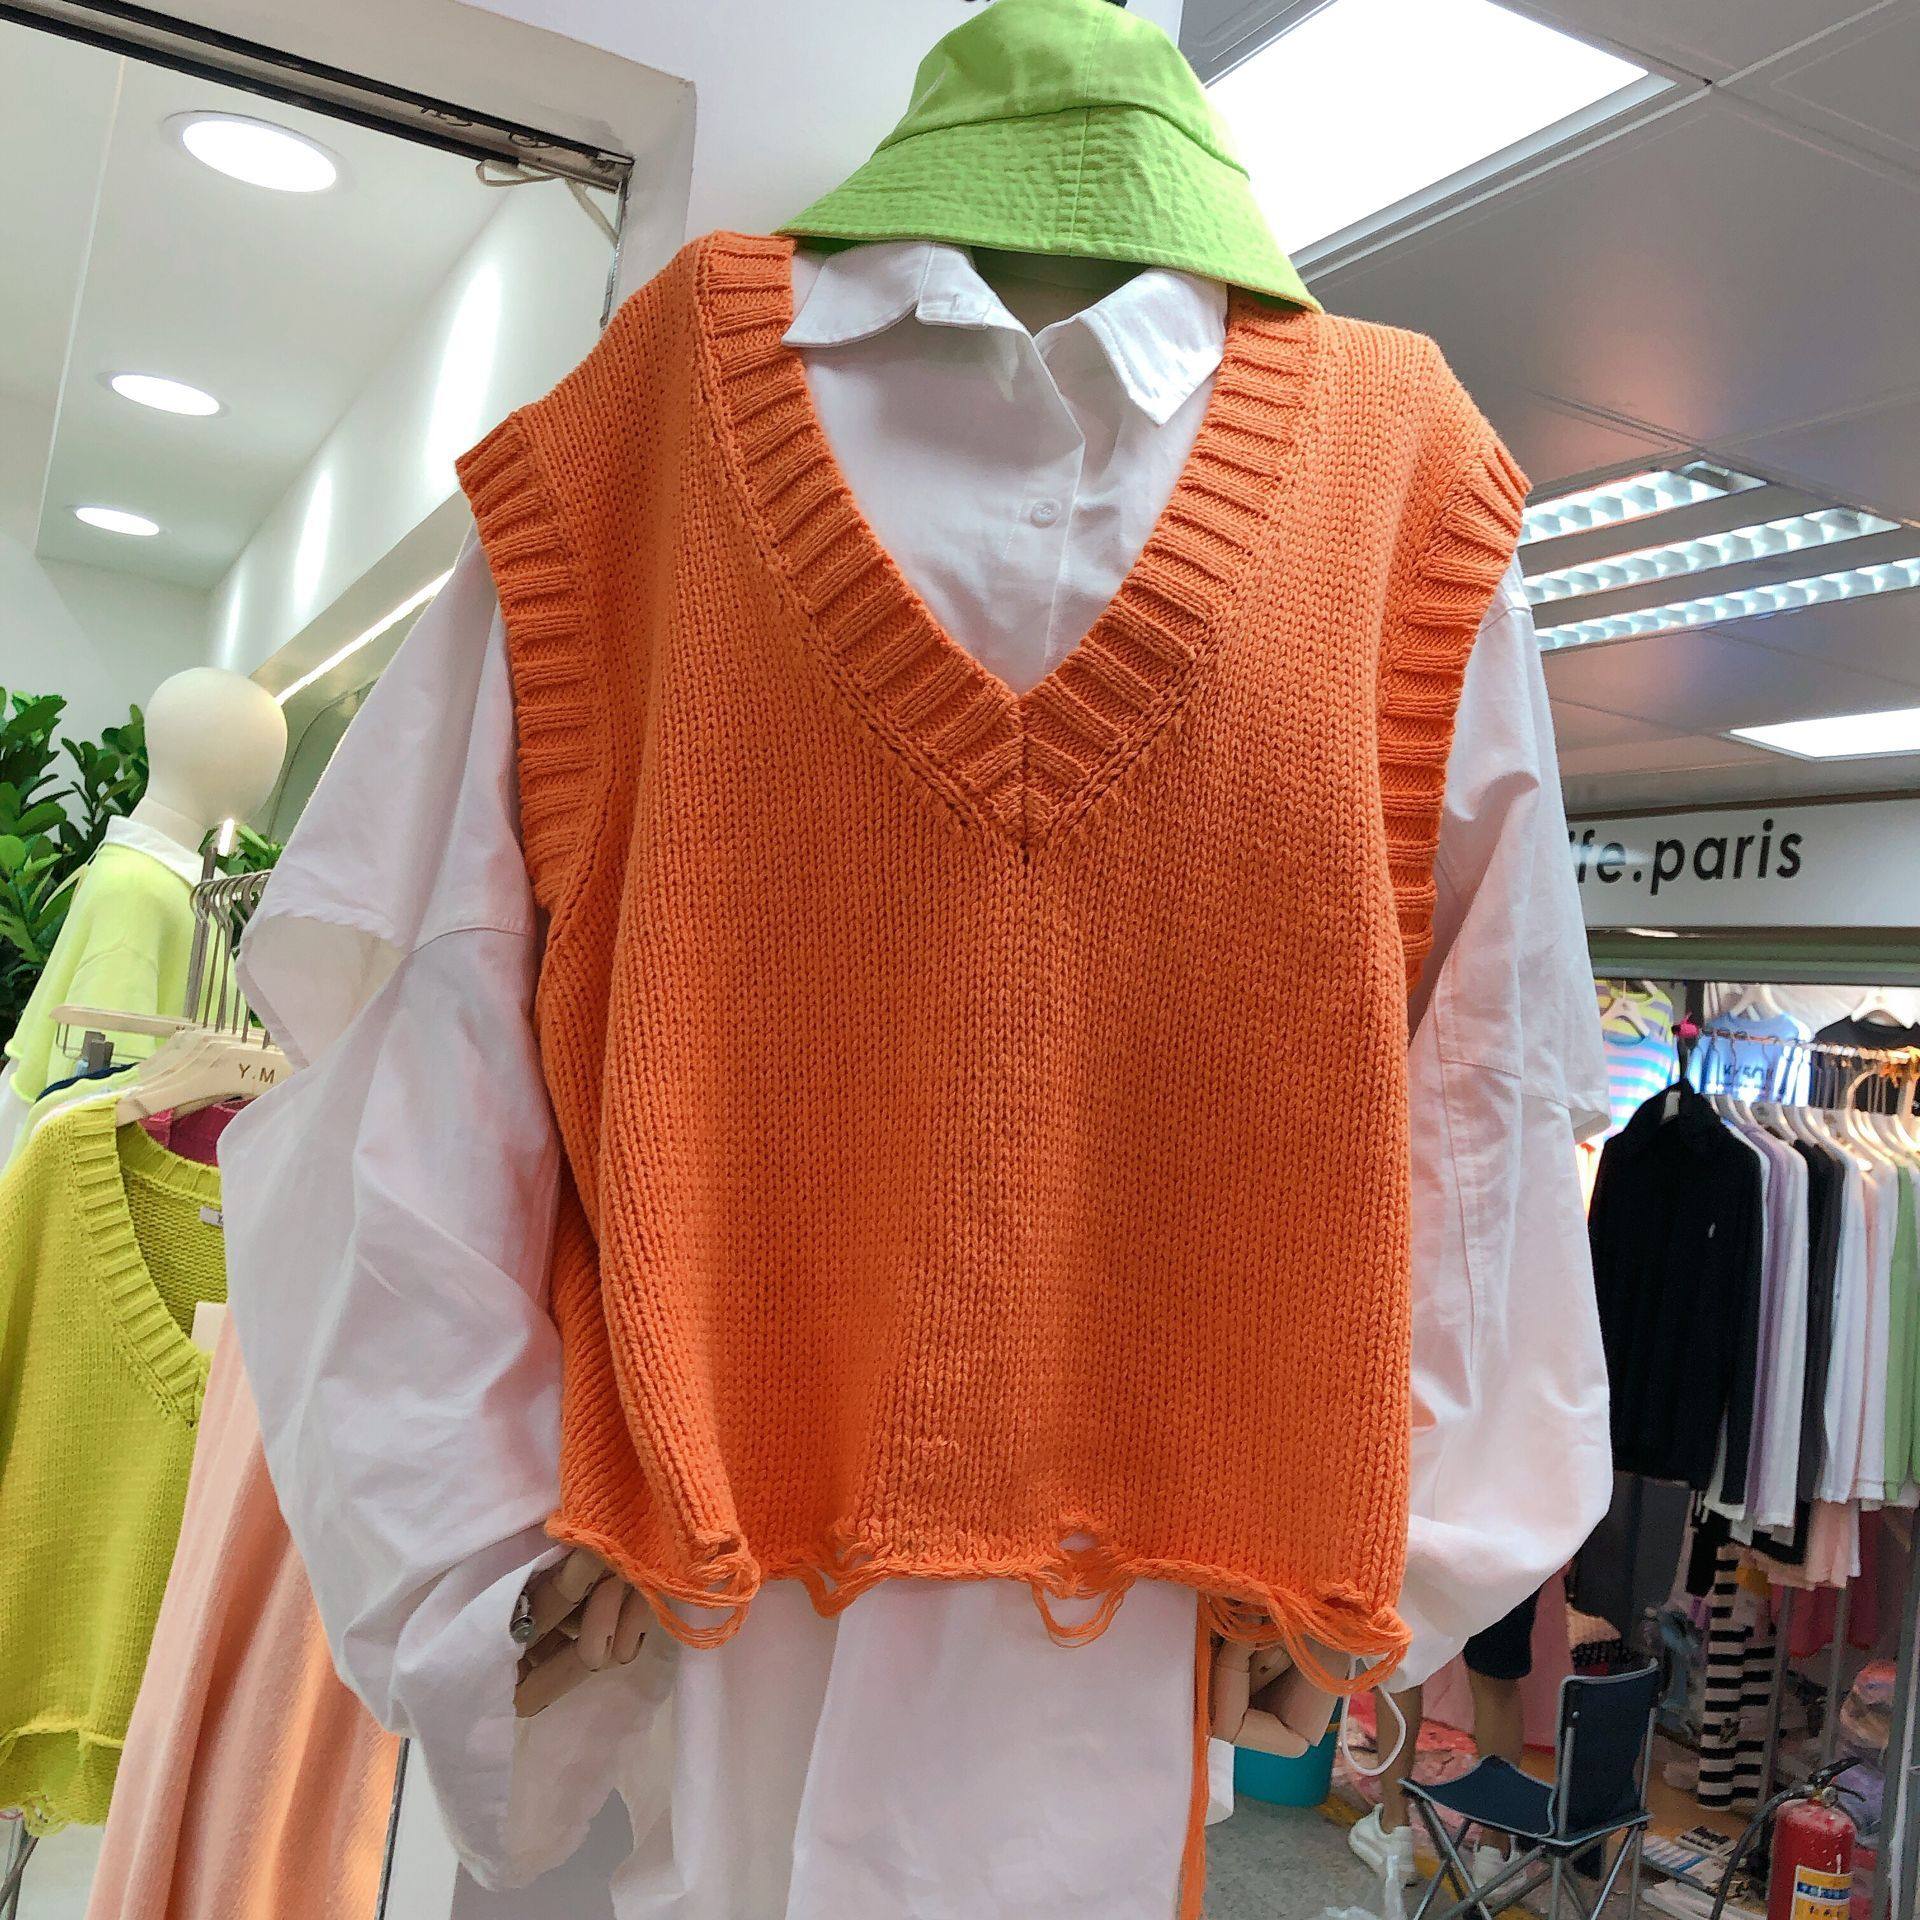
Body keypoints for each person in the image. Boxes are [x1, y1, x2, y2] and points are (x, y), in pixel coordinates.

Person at [1348, 1586, 1541, 1884]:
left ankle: (1394, 1830)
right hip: (1506, 1560)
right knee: (1496, 1675)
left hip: (1427, 1555)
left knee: (1401, 1657)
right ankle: (1494, 1851)